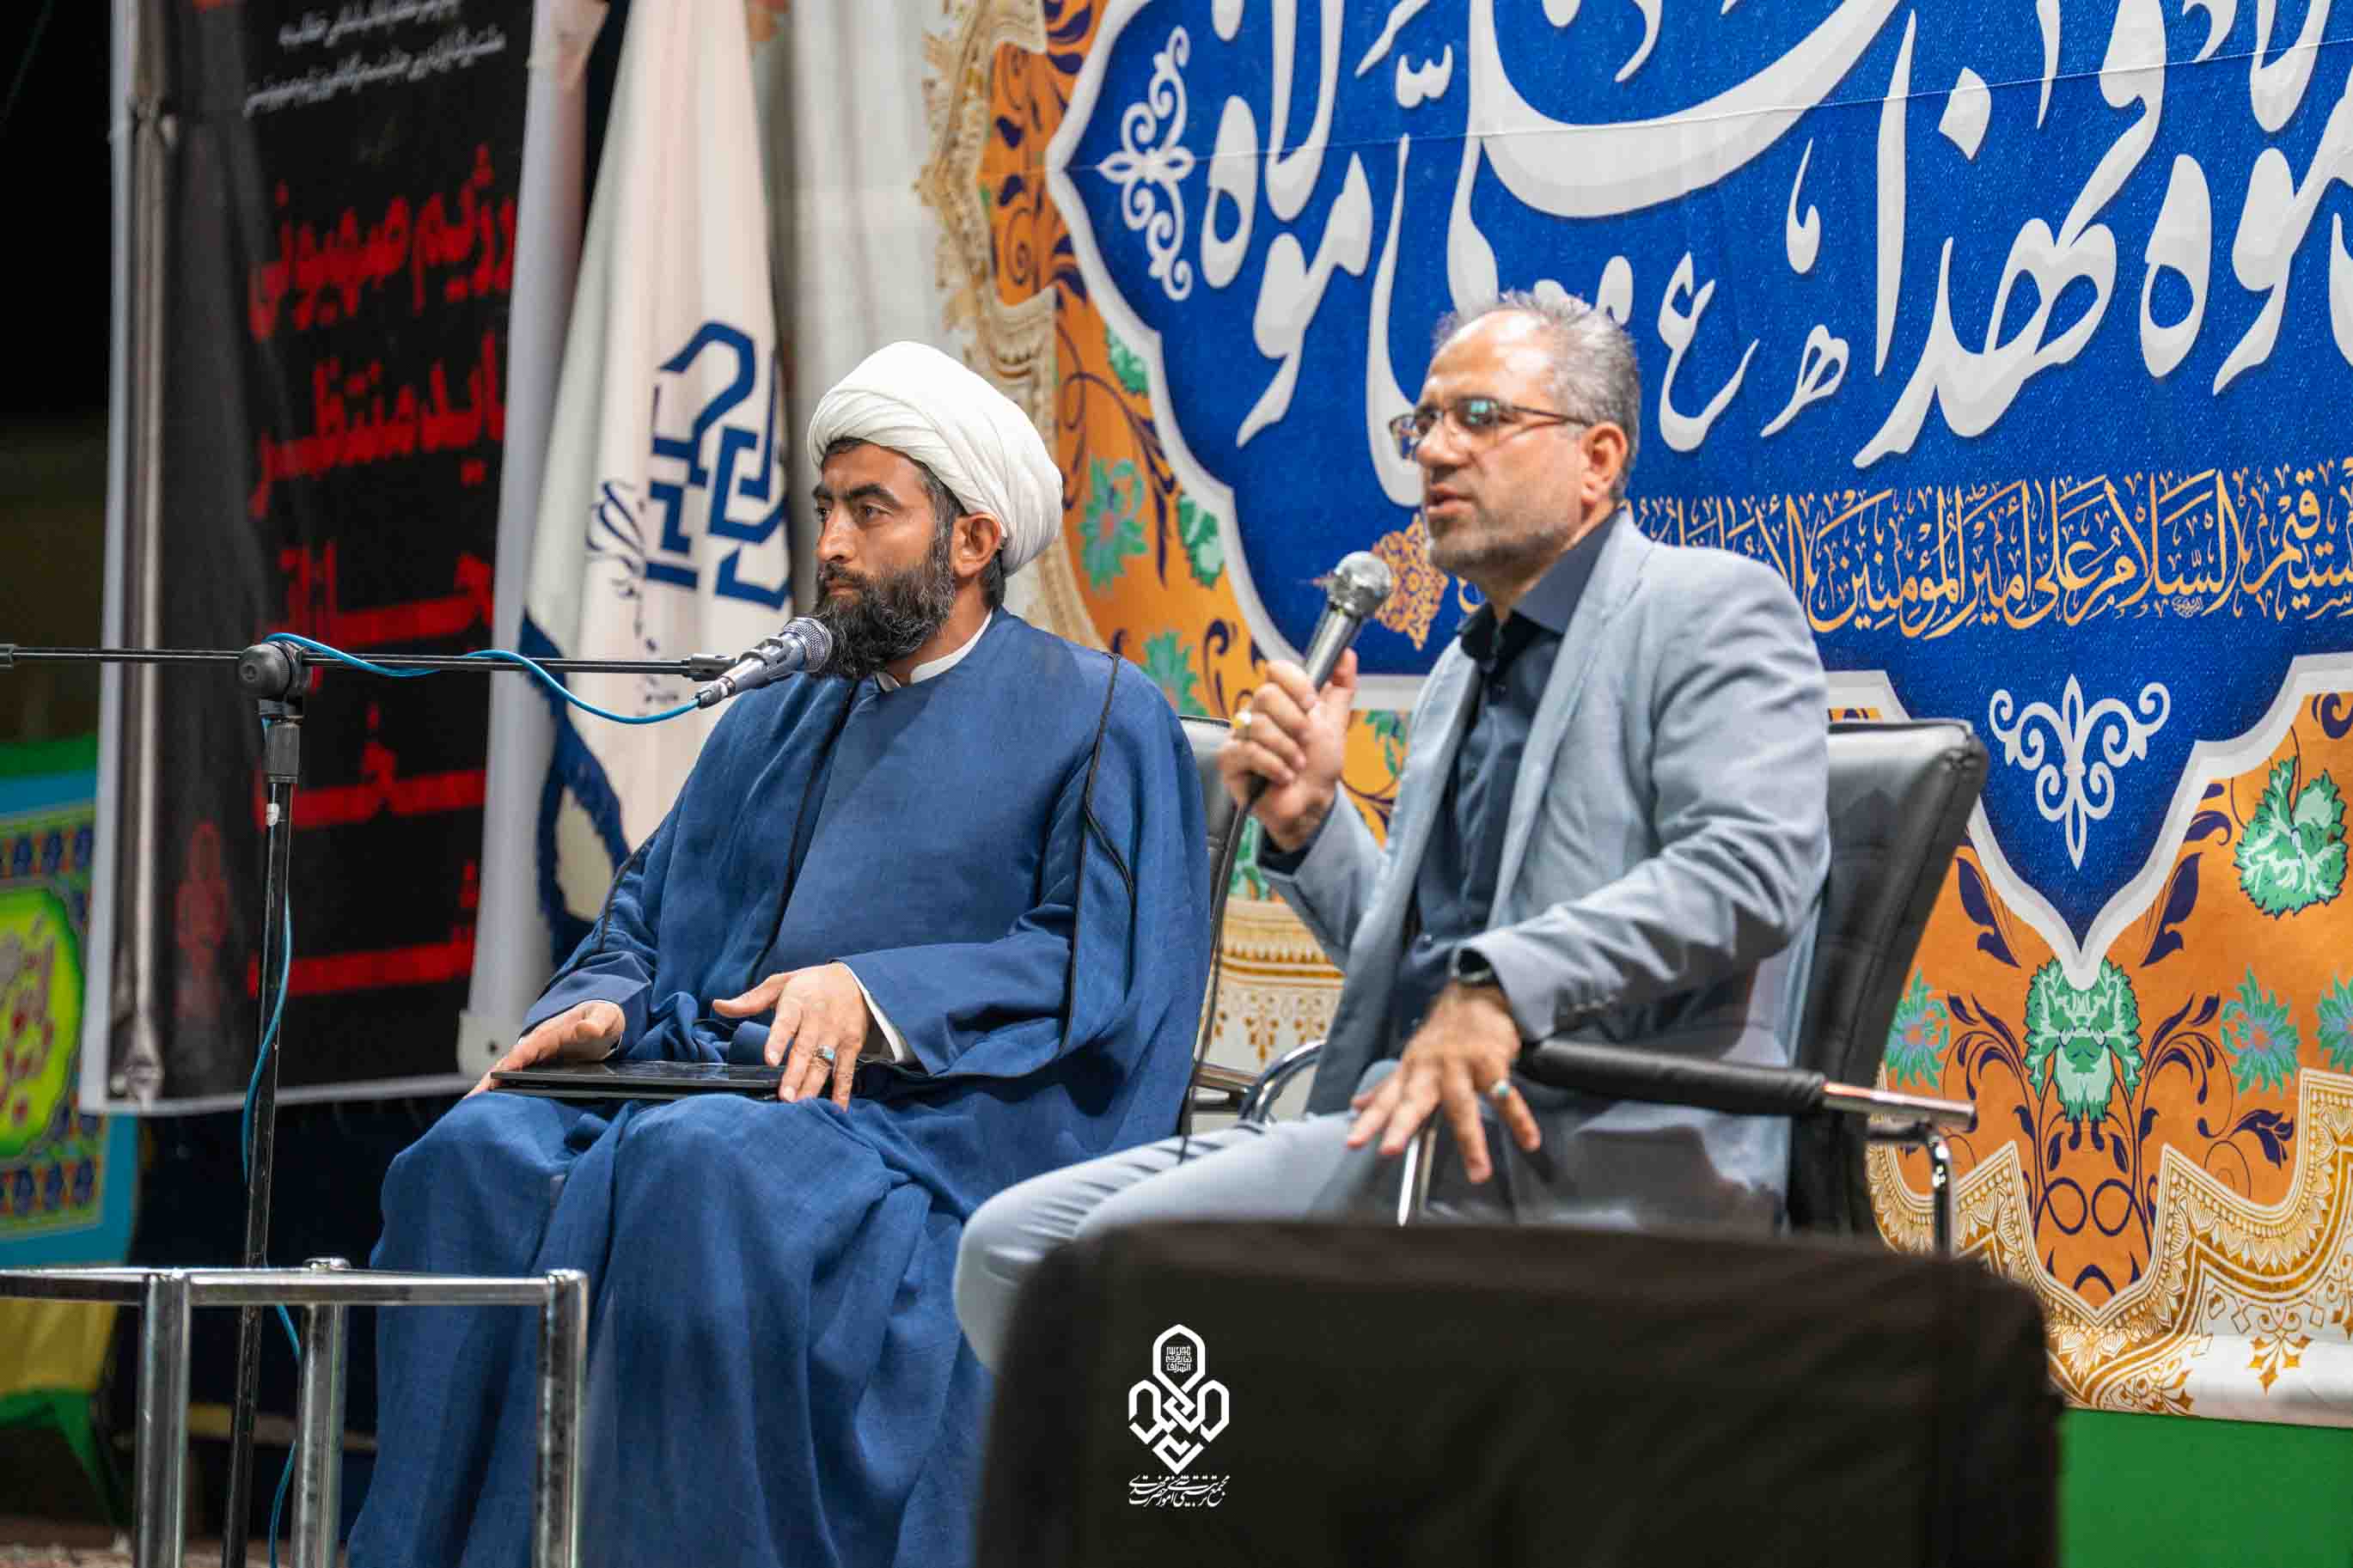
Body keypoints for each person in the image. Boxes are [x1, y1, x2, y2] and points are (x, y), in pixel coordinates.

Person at [349, 342, 1211, 1568]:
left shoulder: (1098, 712)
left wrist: (878, 995)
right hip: (711, 1084)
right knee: (468, 1157)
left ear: (972, 540)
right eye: (826, 508)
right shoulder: (777, 709)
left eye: (871, 510)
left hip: (922, 1121)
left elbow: (1106, 962)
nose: (834, 544)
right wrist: (606, 1004)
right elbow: (647, 910)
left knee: (699, 1168)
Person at [956, 291, 1830, 1367]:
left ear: (1597, 459)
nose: (1436, 452)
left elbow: (1750, 871)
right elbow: (1418, 960)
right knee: (1009, 1245)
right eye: (1423, 422)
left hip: (1607, 1150)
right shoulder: (1464, 669)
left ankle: (1210, 1475)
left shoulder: (1707, 608)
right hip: (1411, 1129)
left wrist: (1500, 987)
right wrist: (1310, 822)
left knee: (1107, 1264)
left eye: (1480, 418)